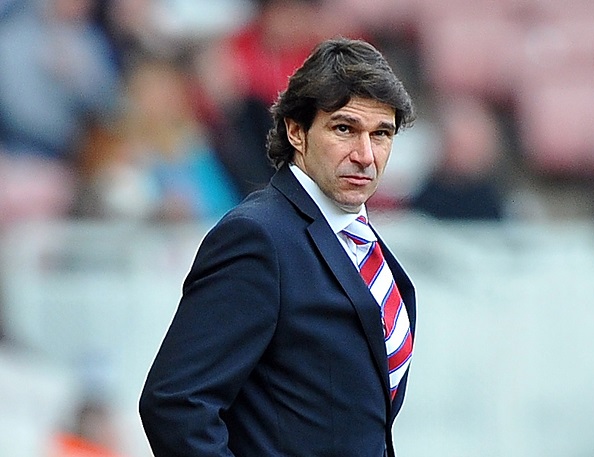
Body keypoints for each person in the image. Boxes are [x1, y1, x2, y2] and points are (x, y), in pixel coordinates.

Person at [139, 37, 418, 457]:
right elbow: (176, 404)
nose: (365, 154)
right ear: (297, 131)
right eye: (344, 129)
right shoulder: (257, 238)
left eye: (381, 134)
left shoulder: (361, 243)